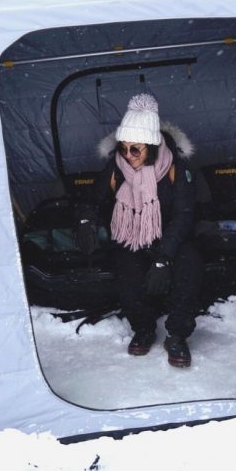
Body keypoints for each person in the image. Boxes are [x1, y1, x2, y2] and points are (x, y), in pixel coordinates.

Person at [74, 92, 204, 368]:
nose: (128, 155)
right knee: (127, 277)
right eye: (123, 148)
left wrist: (162, 257)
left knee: (188, 269)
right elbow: (93, 199)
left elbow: (183, 216)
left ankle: (177, 334)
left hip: (170, 239)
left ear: (152, 146)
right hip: (132, 239)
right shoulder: (117, 167)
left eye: (136, 149)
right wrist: (86, 221)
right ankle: (143, 328)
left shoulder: (175, 168)